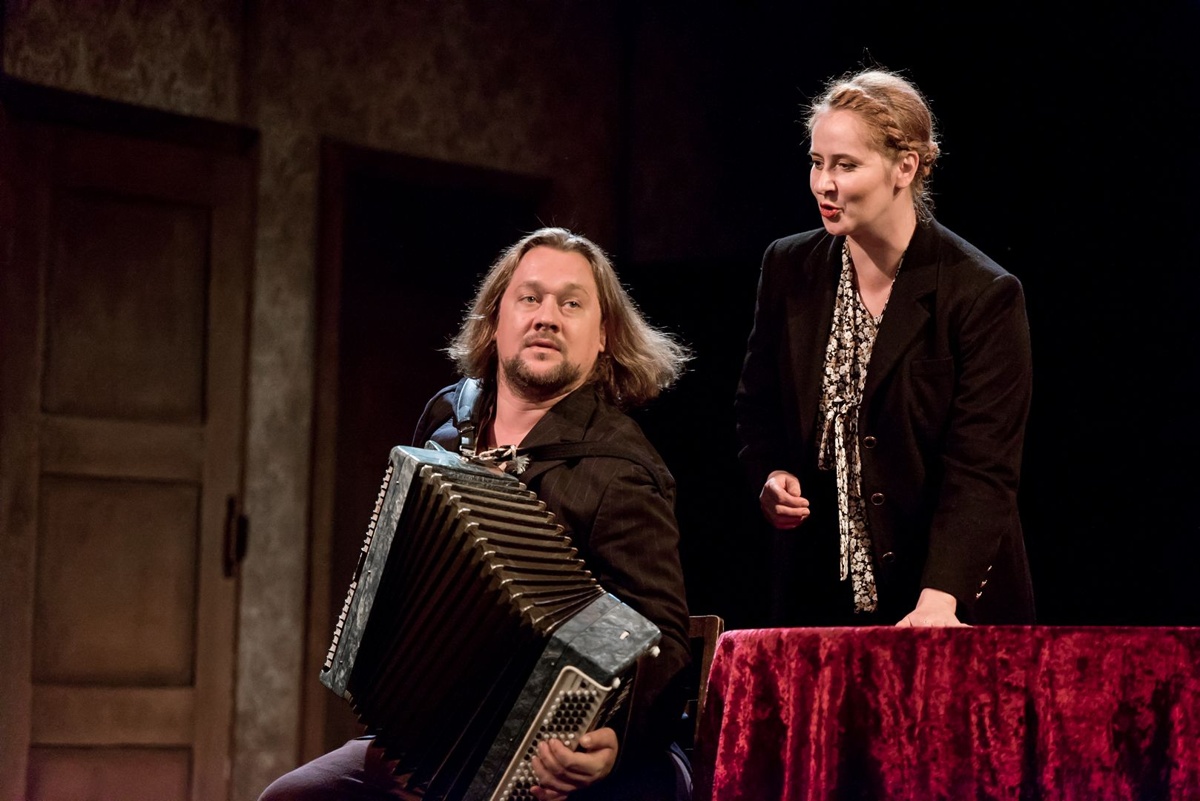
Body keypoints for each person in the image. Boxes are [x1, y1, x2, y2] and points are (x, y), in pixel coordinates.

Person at [260, 227, 693, 801]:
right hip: (426, 740)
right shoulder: (446, 421)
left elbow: (663, 638)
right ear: (494, 321)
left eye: (571, 304)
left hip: (544, 755)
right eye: (530, 298)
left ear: (604, 337)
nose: (546, 317)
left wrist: (613, 738)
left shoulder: (620, 467)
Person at [734, 67, 1035, 628]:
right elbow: (758, 407)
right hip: (821, 596)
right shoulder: (789, 267)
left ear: (906, 167)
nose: (824, 183)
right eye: (817, 162)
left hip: (941, 599)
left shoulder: (981, 293)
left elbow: (982, 468)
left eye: (846, 165)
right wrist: (770, 475)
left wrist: (941, 597)